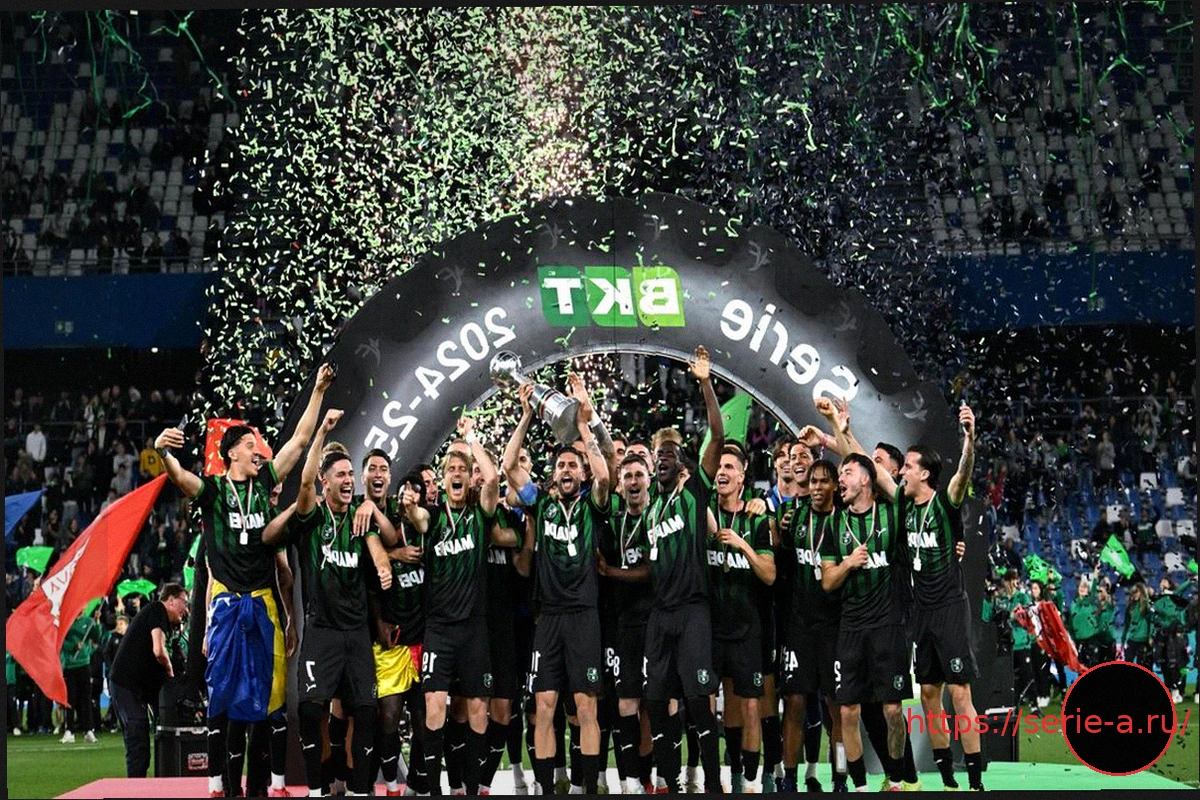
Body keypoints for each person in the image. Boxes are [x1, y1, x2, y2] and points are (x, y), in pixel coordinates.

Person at [154, 362, 333, 798]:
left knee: (272, 694)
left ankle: (271, 784)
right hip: (225, 607)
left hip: (263, 602)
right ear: (231, 453)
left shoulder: (266, 482)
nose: (259, 453)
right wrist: (162, 451)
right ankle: (217, 782)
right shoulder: (214, 492)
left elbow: (300, 441)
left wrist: (317, 390)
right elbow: (178, 477)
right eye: (251, 446)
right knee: (221, 695)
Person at [263, 409, 395, 797]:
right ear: (325, 482)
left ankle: (357, 789)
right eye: (341, 475)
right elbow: (303, 482)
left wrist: (383, 566)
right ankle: (318, 789)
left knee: (365, 712)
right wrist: (321, 429)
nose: (349, 480)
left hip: (356, 633)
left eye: (351, 475)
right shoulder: (312, 517)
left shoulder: (359, 516)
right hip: (321, 630)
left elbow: (378, 546)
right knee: (310, 710)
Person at [506, 373, 611, 795]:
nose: (567, 470)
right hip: (548, 618)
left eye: (572, 466)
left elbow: (605, 477)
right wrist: (526, 415)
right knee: (544, 706)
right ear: (553, 475)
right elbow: (510, 467)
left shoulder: (592, 506)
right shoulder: (541, 505)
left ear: (581, 474)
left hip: (584, 616)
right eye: (561, 466)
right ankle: (547, 790)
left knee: (586, 707)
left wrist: (583, 426)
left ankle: (588, 789)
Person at [403, 414, 517, 795]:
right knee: (435, 704)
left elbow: (494, 479)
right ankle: (435, 791)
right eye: (450, 469)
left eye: (462, 470)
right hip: (439, 628)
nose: (456, 474)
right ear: (444, 477)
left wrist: (471, 440)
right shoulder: (435, 517)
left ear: (469, 479)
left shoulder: (480, 515)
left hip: (473, 628)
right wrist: (409, 507)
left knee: (478, 710)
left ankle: (471, 789)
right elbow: (417, 517)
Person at [642, 345, 725, 794]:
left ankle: (711, 781)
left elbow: (717, 435)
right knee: (657, 699)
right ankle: (668, 780)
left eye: (671, 453)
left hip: (693, 610)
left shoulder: (694, 495)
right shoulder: (651, 509)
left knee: (697, 698)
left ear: (683, 463)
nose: (664, 458)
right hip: (660, 614)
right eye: (659, 453)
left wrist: (706, 384)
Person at [889, 406, 984, 792]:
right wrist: (837, 431)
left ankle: (975, 781)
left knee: (960, 693)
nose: (902, 472)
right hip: (921, 612)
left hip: (949, 608)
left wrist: (969, 440)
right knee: (929, 694)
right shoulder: (902, 505)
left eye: (908, 467)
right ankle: (947, 780)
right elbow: (872, 473)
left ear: (925, 473)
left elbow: (963, 474)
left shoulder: (945, 502)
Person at [818, 453, 910, 792]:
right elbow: (827, 581)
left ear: (866, 479)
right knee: (847, 712)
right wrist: (848, 564)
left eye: (847, 472)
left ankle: (896, 780)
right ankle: (858, 786)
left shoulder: (891, 515)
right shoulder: (834, 524)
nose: (840, 479)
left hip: (888, 626)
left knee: (893, 710)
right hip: (851, 627)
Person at [708, 445, 775, 792]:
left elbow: (769, 574)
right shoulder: (704, 511)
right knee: (712, 707)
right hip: (710, 629)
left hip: (747, 628)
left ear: (742, 476)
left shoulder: (755, 519)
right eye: (719, 466)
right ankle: (728, 774)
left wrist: (743, 545)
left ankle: (750, 782)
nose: (722, 472)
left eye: (729, 467)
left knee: (750, 706)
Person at [777, 458, 845, 792]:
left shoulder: (844, 521)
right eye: (813, 481)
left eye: (823, 481)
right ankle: (790, 778)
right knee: (794, 703)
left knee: (837, 708)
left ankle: (841, 777)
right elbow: (781, 558)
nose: (817, 487)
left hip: (834, 626)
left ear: (835, 486)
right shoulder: (794, 517)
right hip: (799, 626)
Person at [595, 453, 654, 794]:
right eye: (628, 476)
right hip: (622, 625)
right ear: (620, 484)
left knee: (654, 704)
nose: (633, 481)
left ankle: (652, 778)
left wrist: (613, 572)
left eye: (638, 475)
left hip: (655, 622)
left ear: (648, 480)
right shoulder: (612, 525)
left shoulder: (657, 518)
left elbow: (652, 571)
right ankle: (632, 781)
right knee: (626, 703)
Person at [109, 583, 189, 777]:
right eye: (184, 603)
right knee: (137, 734)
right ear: (171, 600)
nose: (186, 609)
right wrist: (171, 674)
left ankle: (142, 781)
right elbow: (159, 650)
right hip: (127, 684)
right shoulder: (156, 609)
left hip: (138, 687)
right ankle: (136, 785)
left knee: (143, 738)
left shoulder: (166, 623)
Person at [60, 606, 103, 744]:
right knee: (70, 699)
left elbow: (96, 636)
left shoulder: (88, 621)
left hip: (84, 664)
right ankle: (69, 730)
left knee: (86, 699)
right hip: (70, 665)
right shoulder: (66, 622)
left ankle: (88, 730)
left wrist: (97, 621)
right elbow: (60, 642)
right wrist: (73, 646)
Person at [1122, 582, 1152, 667]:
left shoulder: (1147, 606)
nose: (1134, 594)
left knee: (1144, 666)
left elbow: (1151, 622)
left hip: (1144, 640)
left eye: (1137, 592)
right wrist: (1123, 639)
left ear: (1142, 592)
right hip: (1132, 639)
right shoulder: (1130, 606)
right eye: (1133, 592)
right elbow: (1126, 624)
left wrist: (1151, 636)